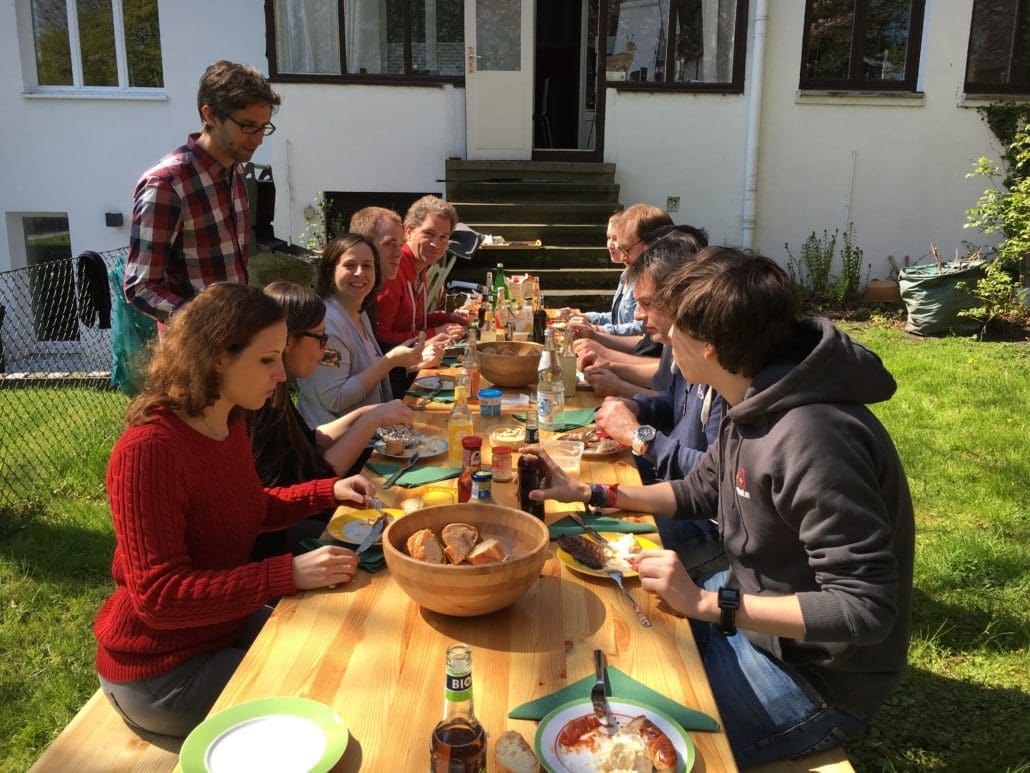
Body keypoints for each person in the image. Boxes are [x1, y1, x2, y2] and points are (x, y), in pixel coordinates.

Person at [528, 247, 914, 767]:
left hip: (811, 675)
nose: (660, 338)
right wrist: (593, 493)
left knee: (629, 749)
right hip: (750, 614)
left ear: (708, 346)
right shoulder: (753, 394)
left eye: (673, 328)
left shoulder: (815, 437)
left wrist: (710, 606)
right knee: (617, 661)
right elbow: (699, 491)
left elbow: (865, 609)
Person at [94, 282, 374, 737]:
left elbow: (250, 508)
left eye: (280, 357)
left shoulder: (228, 422)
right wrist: (286, 573)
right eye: (267, 360)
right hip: (159, 671)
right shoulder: (149, 450)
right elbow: (159, 597)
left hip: (218, 629)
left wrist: (329, 490)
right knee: (319, 703)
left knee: (338, 650)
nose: (281, 375)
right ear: (218, 356)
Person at [248, 281, 414, 559]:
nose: (325, 349)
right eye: (320, 338)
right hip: (277, 549)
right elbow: (316, 478)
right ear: (287, 341)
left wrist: (363, 414)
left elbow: (310, 440)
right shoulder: (259, 406)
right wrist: (370, 420)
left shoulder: (275, 395)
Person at [124, 61, 281, 323]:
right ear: (209, 115)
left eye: (264, 126)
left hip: (238, 338)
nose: (258, 138)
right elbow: (141, 288)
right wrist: (207, 325)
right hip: (196, 351)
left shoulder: (236, 169)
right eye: (247, 126)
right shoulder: (166, 185)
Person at [296, 233, 427, 427]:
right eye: (350, 265)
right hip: (334, 448)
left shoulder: (359, 312)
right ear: (331, 270)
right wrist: (390, 361)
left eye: (367, 266)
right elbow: (335, 398)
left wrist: (406, 361)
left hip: (365, 437)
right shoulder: (327, 324)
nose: (359, 273)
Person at [374, 195, 468, 350]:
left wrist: (446, 318)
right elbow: (380, 339)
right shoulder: (393, 271)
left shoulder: (420, 266)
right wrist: (434, 333)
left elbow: (414, 323)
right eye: (429, 234)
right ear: (408, 231)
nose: (436, 244)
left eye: (443, 237)